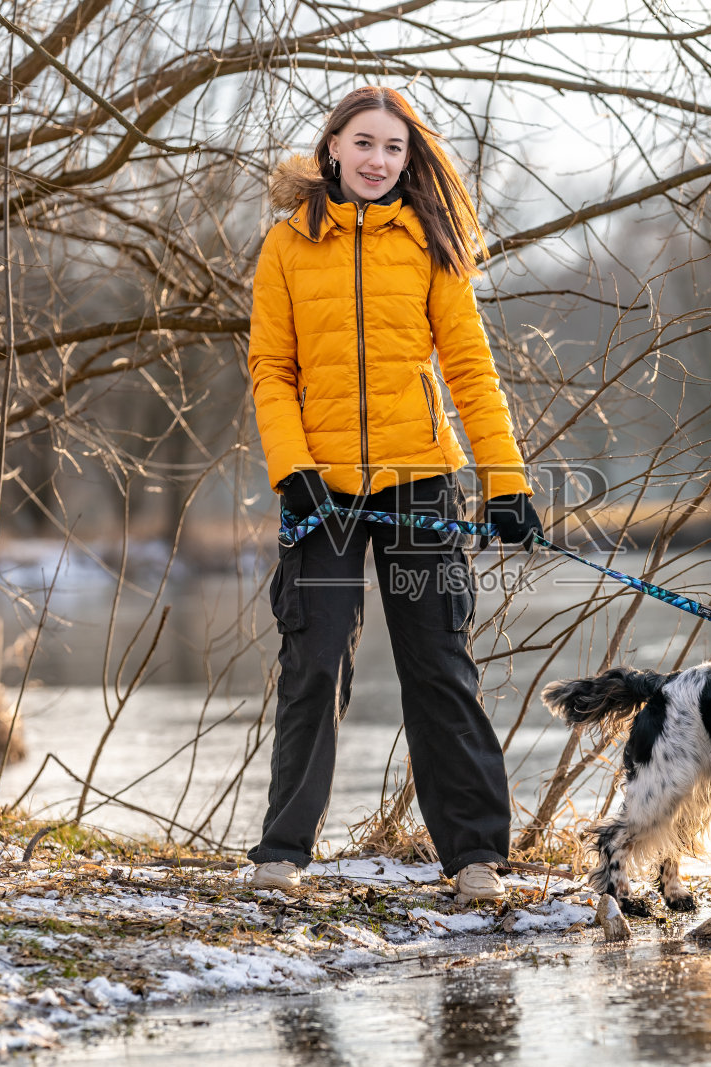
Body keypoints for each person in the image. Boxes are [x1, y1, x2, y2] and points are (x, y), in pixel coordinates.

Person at [244, 86, 542, 904]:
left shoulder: (431, 245)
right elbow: (272, 369)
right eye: (364, 143)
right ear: (333, 146)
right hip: (322, 499)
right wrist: (294, 472)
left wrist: (505, 481)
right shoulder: (286, 248)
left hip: (420, 492)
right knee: (313, 663)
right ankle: (283, 853)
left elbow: (472, 372)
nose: (379, 160)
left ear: (410, 160)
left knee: (439, 665)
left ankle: (476, 858)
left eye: (395, 149)